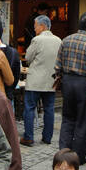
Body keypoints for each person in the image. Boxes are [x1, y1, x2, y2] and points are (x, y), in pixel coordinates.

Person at [54, 12, 86, 165]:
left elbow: (58, 65)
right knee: (84, 120)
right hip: (84, 83)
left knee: (67, 118)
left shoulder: (66, 40)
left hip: (68, 82)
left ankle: (63, 152)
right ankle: (79, 156)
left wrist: (60, 80)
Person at [21, 14, 61, 147]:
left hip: (35, 81)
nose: (34, 29)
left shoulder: (37, 40)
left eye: (35, 26)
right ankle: (47, 137)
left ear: (42, 26)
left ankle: (28, 137)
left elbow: (28, 57)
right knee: (49, 109)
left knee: (30, 108)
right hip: (51, 80)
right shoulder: (58, 40)